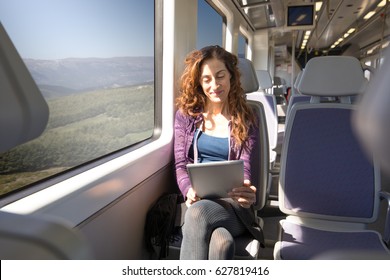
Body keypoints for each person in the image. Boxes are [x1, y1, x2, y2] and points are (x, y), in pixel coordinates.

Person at [174, 45, 264, 260]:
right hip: (198, 200)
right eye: (206, 79)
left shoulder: (247, 118)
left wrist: (246, 190)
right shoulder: (185, 117)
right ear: (199, 82)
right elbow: (180, 165)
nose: (214, 85)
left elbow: (245, 167)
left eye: (220, 76)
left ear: (231, 77)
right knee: (221, 243)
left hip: (233, 206)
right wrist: (188, 190)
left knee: (197, 215)